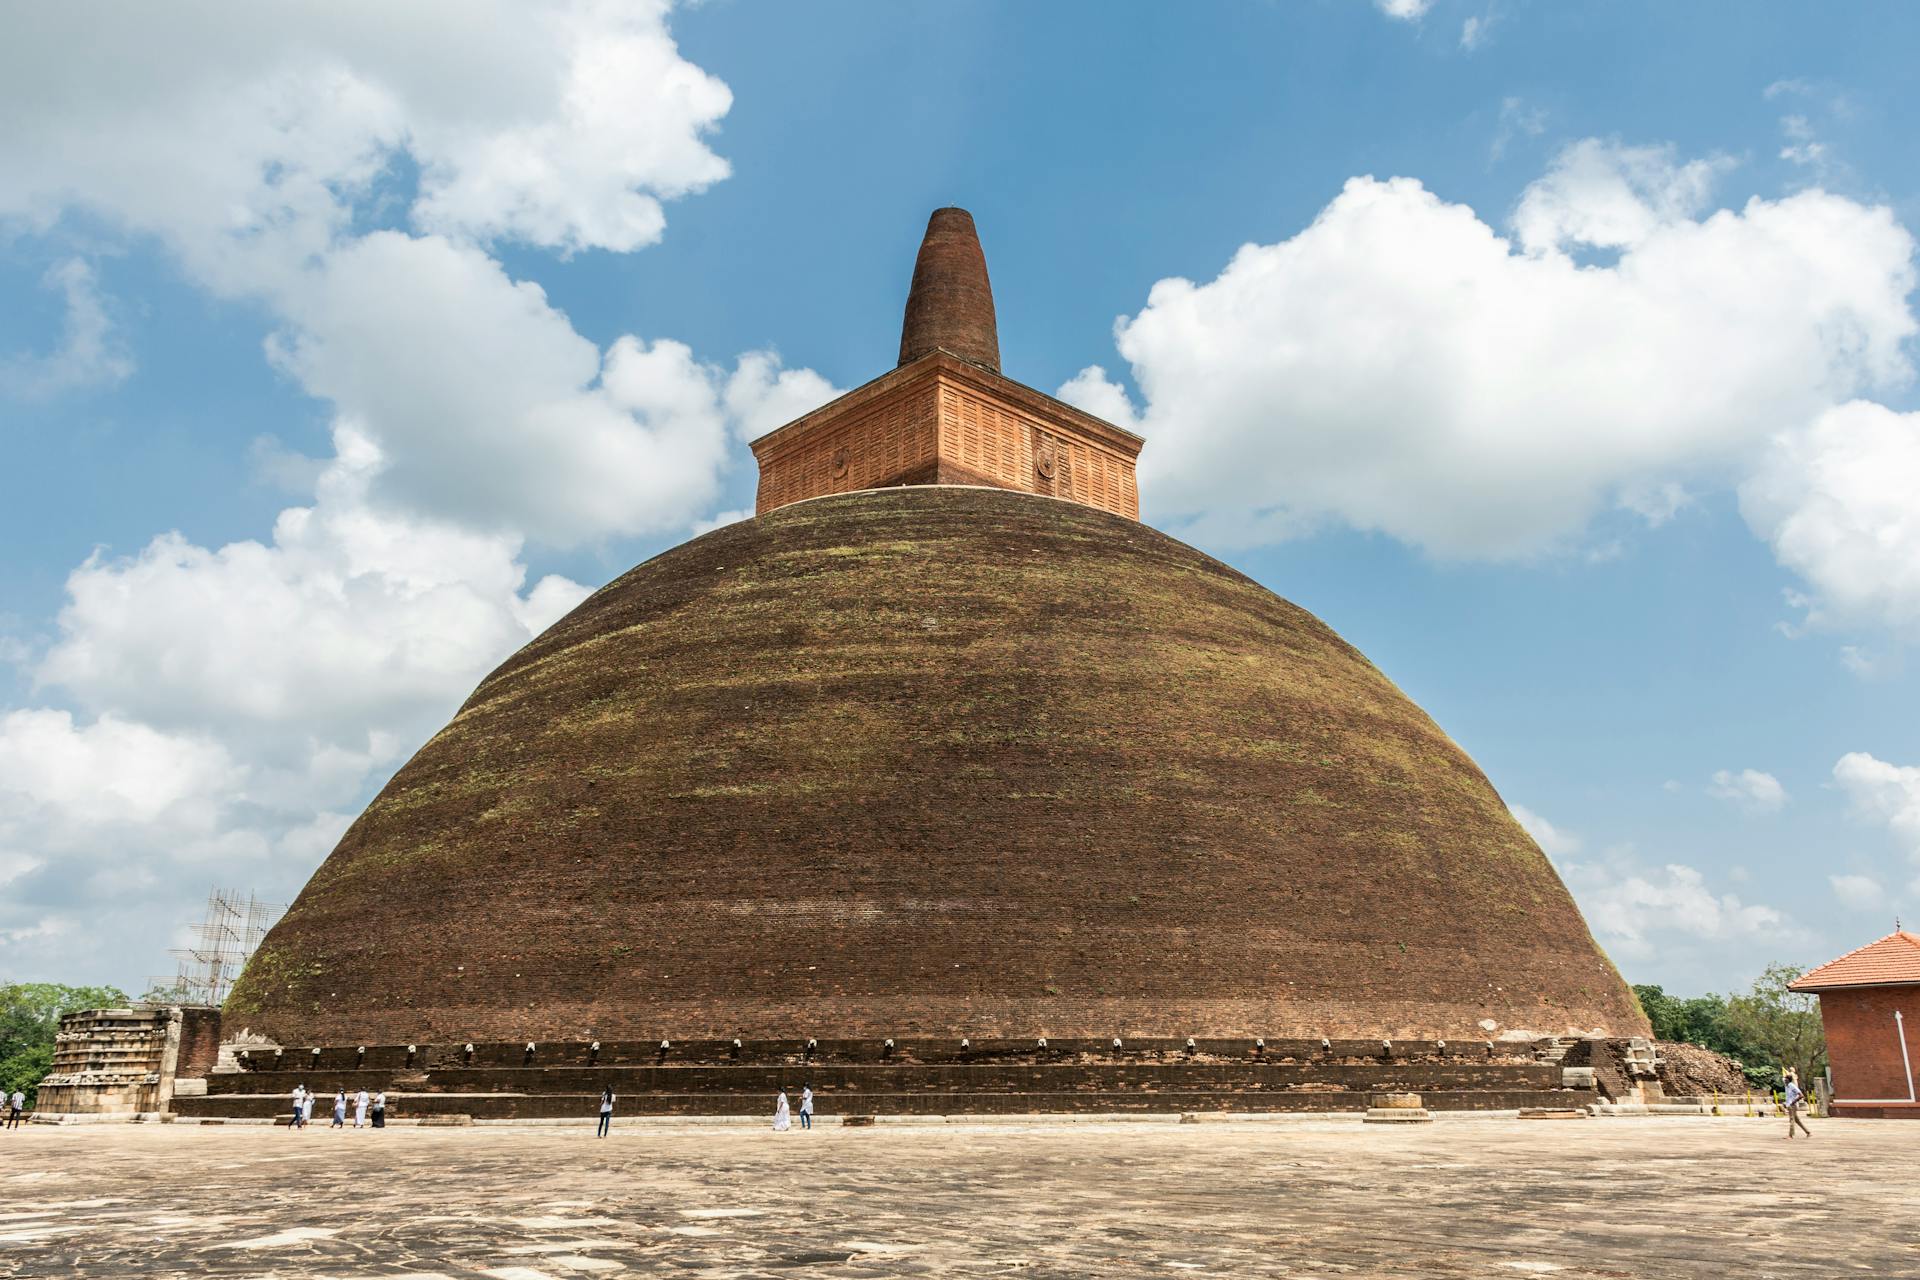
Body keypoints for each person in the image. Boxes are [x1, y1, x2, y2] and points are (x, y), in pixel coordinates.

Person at [1784, 1070, 1812, 1139]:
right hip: (1789, 1105)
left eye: (1786, 1079)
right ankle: (1808, 1132)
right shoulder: (1787, 1086)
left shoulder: (1792, 1086)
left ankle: (1791, 1135)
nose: (1784, 1080)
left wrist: (1794, 1102)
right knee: (1797, 1121)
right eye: (1784, 1079)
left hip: (1792, 1105)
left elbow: (1801, 1095)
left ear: (1789, 1080)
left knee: (1792, 1120)